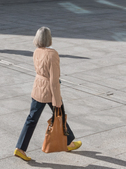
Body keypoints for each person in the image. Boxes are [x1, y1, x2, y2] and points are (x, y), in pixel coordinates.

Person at [14, 27, 80, 161]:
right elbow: (54, 80)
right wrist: (57, 100)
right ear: (49, 38)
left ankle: (20, 148)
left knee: (31, 119)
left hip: (38, 88)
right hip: (50, 91)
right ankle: (68, 143)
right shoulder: (52, 54)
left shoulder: (36, 51)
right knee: (60, 115)